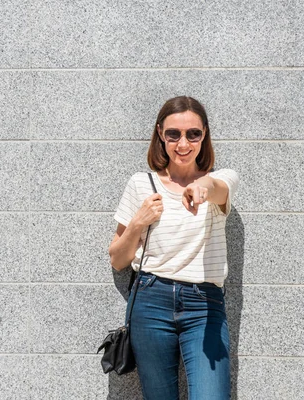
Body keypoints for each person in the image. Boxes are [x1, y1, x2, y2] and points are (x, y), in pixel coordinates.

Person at [108, 96, 239, 400]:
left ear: (204, 135)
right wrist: (139, 223)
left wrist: (202, 187)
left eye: (193, 134)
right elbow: (117, 259)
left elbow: (219, 187)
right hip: (150, 300)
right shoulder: (141, 184)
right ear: (160, 135)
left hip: (204, 304)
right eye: (173, 134)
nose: (183, 143)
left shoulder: (220, 180)